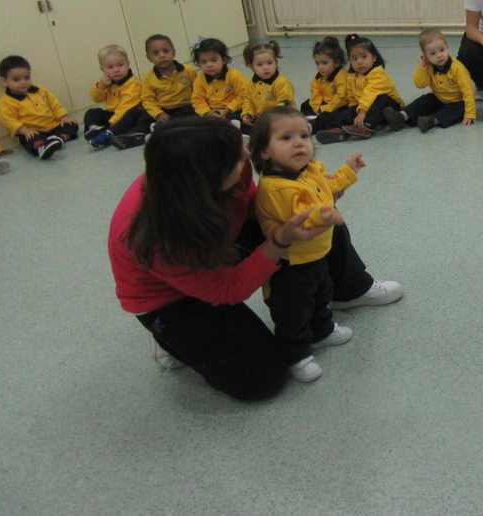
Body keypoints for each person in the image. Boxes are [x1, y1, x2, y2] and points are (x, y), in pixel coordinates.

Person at [107, 116, 401, 400]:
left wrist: (312, 201)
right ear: (206, 179)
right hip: (171, 298)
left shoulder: (230, 168)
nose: (247, 155)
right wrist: (280, 240)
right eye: (237, 157)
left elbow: (253, 205)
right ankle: (171, 340)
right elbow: (229, 289)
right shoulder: (157, 232)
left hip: (217, 239)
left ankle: (348, 289)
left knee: (314, 216)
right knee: (261, 379)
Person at [250, 107, 366, 382]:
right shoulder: (275, 187)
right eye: (286, 137)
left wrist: (348, 171)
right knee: (293, 309)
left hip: (315, 254)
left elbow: (328, 186)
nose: (300, 143)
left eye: (304, 135)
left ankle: (322, 330)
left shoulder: (309, 170)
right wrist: (323, 214)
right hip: (289, 265)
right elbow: (300, 216)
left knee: (321, 292)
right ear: (264, 151)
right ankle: (296, 353)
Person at [388, 28, 475, 132]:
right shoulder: (428, 67)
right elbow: (420, 84)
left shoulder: (457, 68)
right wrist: (421, 66)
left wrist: (470, 113)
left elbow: (468, 91)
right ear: (426, 56)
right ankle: (401, 117)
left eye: (442, 50)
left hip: (456, 102)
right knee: (424, 100)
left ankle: (431, 120)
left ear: (447, 47)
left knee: (461, 109)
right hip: (438, 98)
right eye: (433, 54)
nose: (439, 55)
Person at [0, 54, 78, 160]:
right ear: (4, 81)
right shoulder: (6, 102)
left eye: (26, 78)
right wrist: (24, 130)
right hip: (33, 132)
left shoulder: (40, 91)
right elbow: (8, 120)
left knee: (72, 125)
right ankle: (41, 146)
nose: (23, 82)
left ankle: (59, 138)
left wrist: (63, 117)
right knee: (28, 140)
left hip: (53, 126)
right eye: (16, 80)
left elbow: (54, 104)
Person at [84, 44, 152, 150]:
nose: (116, 70)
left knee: (134, 114)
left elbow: (127, 106)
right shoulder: (108, 83)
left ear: (128, 64)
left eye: (120, 65)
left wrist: (112, 123)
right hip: (113, 115)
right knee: (92, 112)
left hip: (127, 115)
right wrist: (101, 86)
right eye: (110, 67)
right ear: (103, 69)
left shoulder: (132, 83)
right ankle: (95, 128)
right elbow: (96, 99)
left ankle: (109, 132)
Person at [341, 34, 403, 140]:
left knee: (380, 99)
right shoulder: (353, 76)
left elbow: (371, 93)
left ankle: (367, 126)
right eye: (354, 59)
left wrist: (362, 112)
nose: (359, 62)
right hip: (366, 106)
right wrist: (352, 110)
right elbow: (352, 96)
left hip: (390, 104)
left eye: (364, 57)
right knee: (345, 114)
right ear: (350, 62)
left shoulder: (378, 73)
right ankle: (340, 130)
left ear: (374, 57)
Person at [301, 36, 351, 144]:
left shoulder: (342, 76)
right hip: (325, 103)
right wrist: (317, 107)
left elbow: (341, 98)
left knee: (329, 116)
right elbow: (315, 92)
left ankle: (313, 127)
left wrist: (325, 109)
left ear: (337, 62)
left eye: (324, 63)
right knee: (305, 105)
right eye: (317, 63)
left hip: (339, 105)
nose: (320, 67)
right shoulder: (319, 75)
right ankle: (310, 119)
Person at [141, 34, 197, 125]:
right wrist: (158, 113)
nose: (162, 55)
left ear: (173, 52)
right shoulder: (148, 78)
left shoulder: (188, 70)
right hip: (166, 112)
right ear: (148, 57)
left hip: (189, 107)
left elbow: (199, 90)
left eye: (166, 51)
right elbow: (147, 100)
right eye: (156, 53)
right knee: (146, 120)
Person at [241, 40, 295, 132]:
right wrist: (247, 114)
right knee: (243, 125)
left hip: (282, 117)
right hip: (261, 117)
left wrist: (271, 118)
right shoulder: (250, 82)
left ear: (276, 63)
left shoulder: (282, 83)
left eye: (270, 63)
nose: (265, 67)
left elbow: (284, 103)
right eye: (260, 64)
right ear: (252, 67)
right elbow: (248, 100)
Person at [191, 38, 250, 121]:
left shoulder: (235, 75)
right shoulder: (200, 80)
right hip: (210, 111)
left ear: (224, 60)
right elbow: (197, 100)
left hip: (233, 110)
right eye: (203, 62)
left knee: (243, 120)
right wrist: (207, 112)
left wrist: (228, 109)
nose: (208, 65)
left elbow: (244, 95)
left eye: (213, 60)